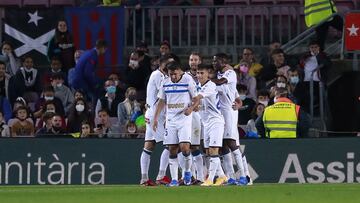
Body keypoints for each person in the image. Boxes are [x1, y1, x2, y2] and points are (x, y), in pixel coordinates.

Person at [152, 61, 199, 186]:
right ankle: (174, 179)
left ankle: (187, 171)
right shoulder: (165, 82)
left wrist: (191, 108)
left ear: (180, 71)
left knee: (184, 147)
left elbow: (196, 98)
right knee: (172, 149)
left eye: (175, 74)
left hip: (184, 118)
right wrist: (155, 118)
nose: (173, 77)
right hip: (171, 120)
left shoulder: (188, 79)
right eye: (171, 74)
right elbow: (162, 101)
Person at [211, 53, 248, 186]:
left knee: (232, 143)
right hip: (220, 114)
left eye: (216, 61)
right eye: (213, 61)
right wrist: (239, 102)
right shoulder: (220, 75)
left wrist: (205, 81)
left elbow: (221, 83)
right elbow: (235, 95)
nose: (213, 63)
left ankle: (243, 176)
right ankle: (231, 177)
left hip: (229, 113)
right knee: (224, 146)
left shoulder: (230, 73)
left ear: (224, 62)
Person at [190, 64, 227, 186]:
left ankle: (210, 179)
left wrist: (190, 107)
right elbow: (200, 103)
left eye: (202, 73)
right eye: (198, 73)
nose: (199, 75)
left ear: (208, 74)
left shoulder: (210, 85)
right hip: (205, 123)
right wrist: (195, 108)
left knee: (213, 150)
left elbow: (199, 98)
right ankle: (222, 176)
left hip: (215, 121)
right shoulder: (198, 86)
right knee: (208, 151)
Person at [139, 55, 171, 186]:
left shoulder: (161, 75)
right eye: (168, 64)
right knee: (170, 145)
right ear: (162, 64)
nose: (170, 67)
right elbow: (164, 96)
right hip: (155, 116)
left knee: (149, 146)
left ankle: (144, 178)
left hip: (152, 114)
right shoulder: (158, 75)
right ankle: (161, 176)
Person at [185, 52, 204, 184]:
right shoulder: (185, 77)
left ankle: (206, 176)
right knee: (190, 147)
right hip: (192, 115)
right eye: (191, 60)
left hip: (206, 115)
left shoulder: (205, 77)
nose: (193, 62)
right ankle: (190, 176)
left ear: (200, 61)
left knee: (208, 148)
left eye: (196, 60)